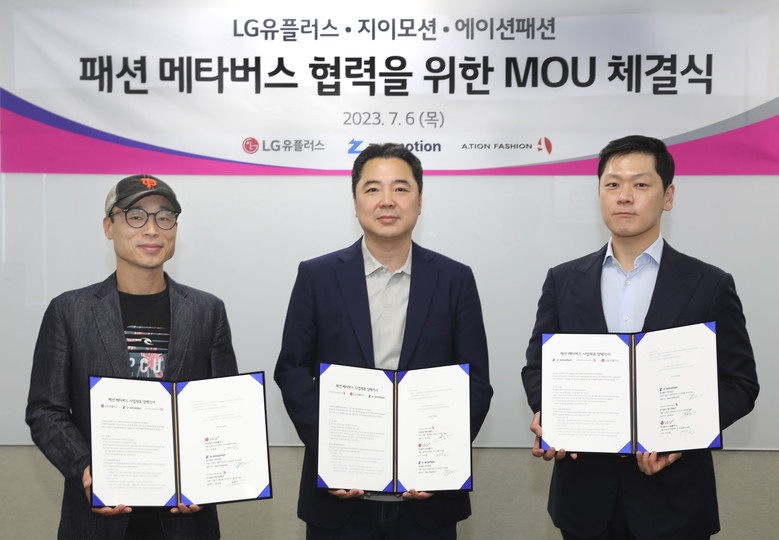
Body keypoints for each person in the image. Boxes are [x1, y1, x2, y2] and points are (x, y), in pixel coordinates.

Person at [522, 135, 759, 540]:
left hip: (675, 503)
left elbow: (740, 384)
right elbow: (537, 369)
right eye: (612, 184)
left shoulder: (709, 284)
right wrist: (553, 414)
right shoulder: (563, 280)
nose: (624, 196)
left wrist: (681, 435)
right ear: (599, 194)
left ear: (668, 196)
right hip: (584, 500)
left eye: (641, 184)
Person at [274, 143, 493, 539]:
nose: (387, 200)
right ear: (355, 201)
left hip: (428, 502)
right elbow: (292, 371)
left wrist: (441, 458)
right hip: (338, 501)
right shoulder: (317, 276)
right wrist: (331, 451)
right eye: (373, 189)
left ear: (420, 201)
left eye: (401, 188)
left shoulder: (455, 279)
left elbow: (475, 381)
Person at [26, 175, 238, 540]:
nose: (152, 229)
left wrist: (208, 478)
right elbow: (45, 410)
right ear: (109, 227)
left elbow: (222, 410)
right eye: (135, 216)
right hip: (98, 521)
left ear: (175, 229)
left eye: (164, 217)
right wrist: (85, 468)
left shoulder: (207, 311)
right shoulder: (69, 311)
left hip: (185, 521)